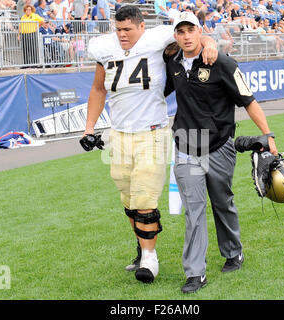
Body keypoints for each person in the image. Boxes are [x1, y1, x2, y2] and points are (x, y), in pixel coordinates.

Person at [84, 6, 218, 284]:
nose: (122, 35)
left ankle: (149, 258)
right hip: (118, 133)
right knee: (129, 198)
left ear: (141, 27)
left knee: (144, 196)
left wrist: (211, 43)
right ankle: (142, 247)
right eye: (118, 29)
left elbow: (190, 33)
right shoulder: (103, 47)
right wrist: (88, 128)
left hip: (152, 131)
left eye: (127, 30)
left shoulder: (157, 38)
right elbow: (98, 89)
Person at [164, 12, 278, 294]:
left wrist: (268, 135)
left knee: (222, 201)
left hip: (219, 145)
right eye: (181, 31)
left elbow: (248, 100)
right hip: (187, 145)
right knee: (194, 210)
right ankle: (195, 273)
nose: (187, 36)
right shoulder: (171, 63)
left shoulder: (222, 63)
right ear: (175, 36)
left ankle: (233, 251)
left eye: (192, 30)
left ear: (199, 31)